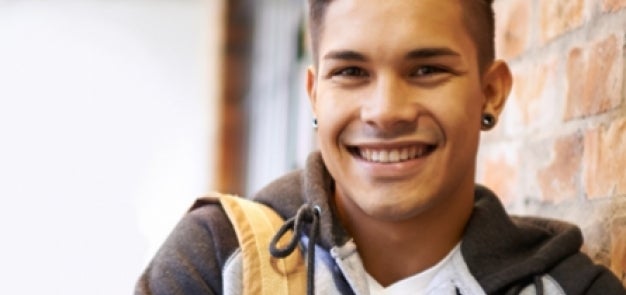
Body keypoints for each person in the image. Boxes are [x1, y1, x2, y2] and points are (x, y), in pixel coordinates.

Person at [135, 0, 626, 294]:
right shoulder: (219, 258)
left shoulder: (570, 288)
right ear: (315, 95)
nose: (386, 111)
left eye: (427, 69)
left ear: (490, 91)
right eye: (351, 72)